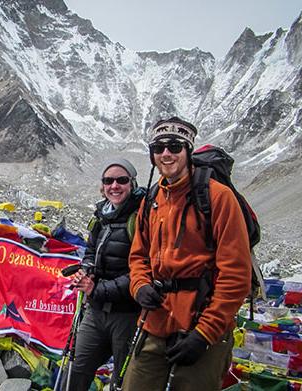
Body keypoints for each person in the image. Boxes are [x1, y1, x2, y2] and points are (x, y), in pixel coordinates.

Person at [122, 117, 252, 391]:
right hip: (155, 323)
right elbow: (138, 257)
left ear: (188, 151)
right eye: (159, 148)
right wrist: (140, 285)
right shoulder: (151, 199)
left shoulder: (218, 197)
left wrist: (205, 333)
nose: (166, 154)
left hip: (201, 325)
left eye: (175, 146)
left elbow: (236, 274)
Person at [67, 158, 146, 390]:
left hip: (127, 315)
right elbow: (91, 251)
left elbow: (142, 271)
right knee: (77, 371)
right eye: (108, 180)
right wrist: (87, 271)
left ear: (132, 183)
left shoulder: (141, 218)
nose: (114, 186)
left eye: (122, 180)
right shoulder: (101, 215)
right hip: (96, 311)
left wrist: (97, 289)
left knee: (122, 382)